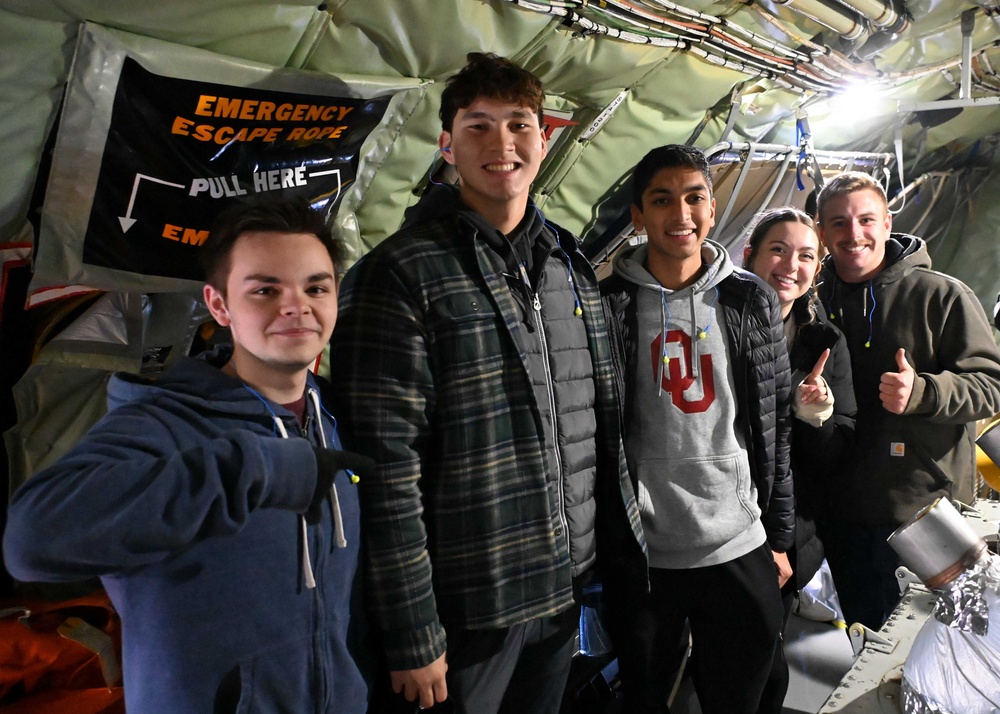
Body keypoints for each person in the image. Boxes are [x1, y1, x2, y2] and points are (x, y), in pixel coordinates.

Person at [327, 53, 646, 714]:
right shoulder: (401, 275)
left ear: (544, 137)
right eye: (477, 126)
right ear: (447, 144)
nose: (501, 144)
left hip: (564, 590)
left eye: (518, 124)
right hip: (467, 607)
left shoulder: (570, 267)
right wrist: (412, 631)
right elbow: (385, 468)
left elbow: (598, 428)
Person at [3, 196, 375, 713]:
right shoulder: (161, 424)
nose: (296, 305)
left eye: (316, 287)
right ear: (219, 305)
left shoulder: (328, 417)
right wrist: (252, 470)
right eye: (265, 289)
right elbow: (31, 538)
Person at [599, 144, 793, 714]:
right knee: (646, 697)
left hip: (736, 541)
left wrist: (779, 538)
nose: (679, 213)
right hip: (646, 551)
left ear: (711, 210)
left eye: (694, 197)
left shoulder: (748, 297)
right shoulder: (609, 303)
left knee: (742, 696)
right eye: (662, 200)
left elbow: (774, 424)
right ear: (638, 216)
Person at [815, 171, 1000, 630]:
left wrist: (925, 392)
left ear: (887, 222)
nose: (853, 234)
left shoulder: (942, 295)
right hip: (839, 513)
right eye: (838, 223)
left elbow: (991, 385)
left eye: (865, 220)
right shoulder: (811, 299)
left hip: (923, 511)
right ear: (821, 231)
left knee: (936, 636)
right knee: (867, 637)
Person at [743, 206, 857, 712]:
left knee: (763, 658)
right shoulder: (711, 327)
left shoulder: (823, 345)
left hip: (789, 535)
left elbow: (837, 453)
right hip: (715, 529)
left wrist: (817, 417)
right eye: (778, 249)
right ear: (750, 255)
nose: (791, 264)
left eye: (807, 255)